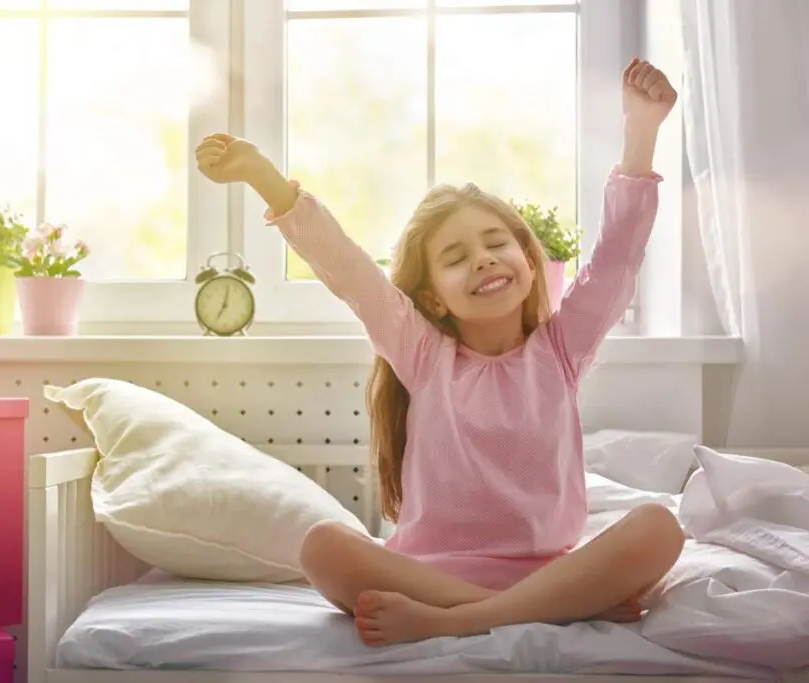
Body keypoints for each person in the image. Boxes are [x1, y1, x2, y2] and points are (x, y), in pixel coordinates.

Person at [194, 58, 685, 647]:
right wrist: (263, 178)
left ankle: (470, 619)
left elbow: (616, 260)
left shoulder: (560, 349)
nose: (482, 258)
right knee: (322, 545)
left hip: (549, 573)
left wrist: (642, 132)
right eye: (456, 258)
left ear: (530, 264)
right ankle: (532, 610)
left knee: (660, 528)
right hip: (430, 577)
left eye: (497, 242)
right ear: (432, 296)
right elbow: (350, 273)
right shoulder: (423, 355)